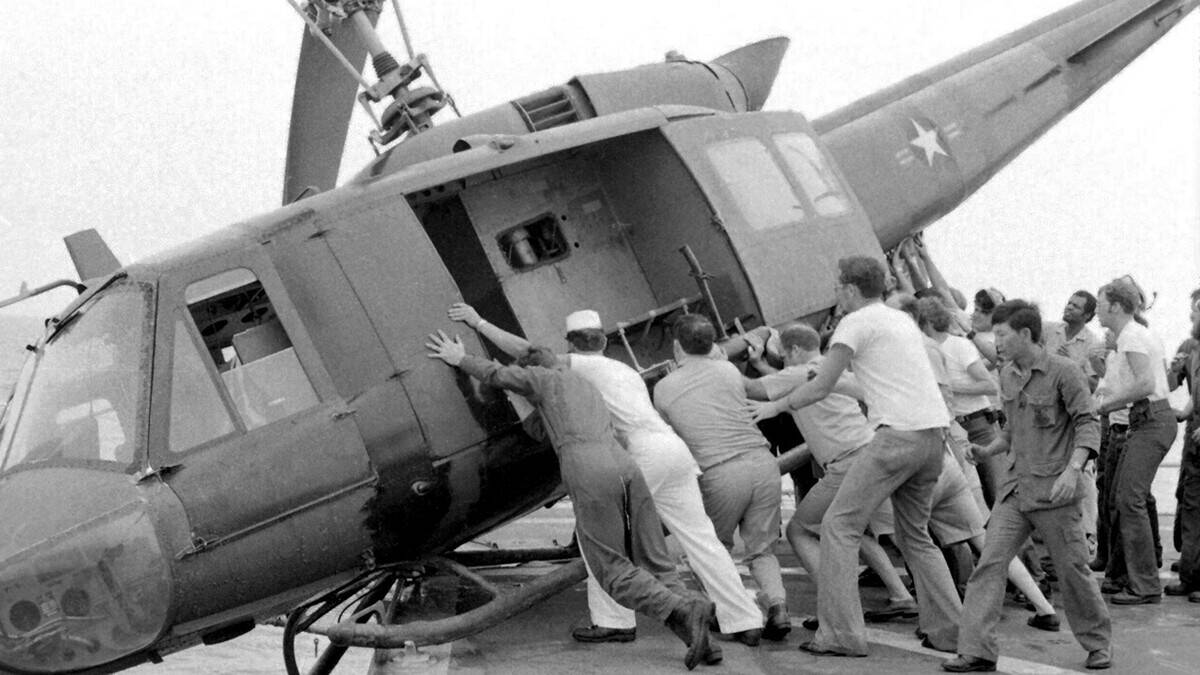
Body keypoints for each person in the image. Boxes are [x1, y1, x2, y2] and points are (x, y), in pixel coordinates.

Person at [446, 303, 764, 647]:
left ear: (571, 344)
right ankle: (743, 619)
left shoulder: (579, 367)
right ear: (603, 341)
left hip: (638, 454)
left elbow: (528, 353)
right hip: (673, 450)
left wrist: (479, 322)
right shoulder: (623, 370)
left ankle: (614, 620)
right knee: (702, 539)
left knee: (597, 541)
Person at [424, 332, 715, 670]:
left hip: (589, 466)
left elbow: (497, 375)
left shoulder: (544, 378)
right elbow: (539, 428)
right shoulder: (585, 387)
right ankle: (697, 633)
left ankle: (681, 610)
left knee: (610, 566)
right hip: (625, 464)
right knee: (654, 556)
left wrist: (460, 359)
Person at [750, 255, 960, 657]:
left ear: (849, 289)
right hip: (933, 436)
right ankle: (949, 629)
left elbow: (822, 385)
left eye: (837, 287)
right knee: (915, 536)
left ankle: (841, 635)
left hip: (895, 438)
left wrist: (778, 406)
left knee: (838, 527)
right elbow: (868, 384)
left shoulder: (855, 322)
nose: (836, 294)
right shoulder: (900, 320)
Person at [942, 300, 1111, 673]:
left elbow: (1087, 424)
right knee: (989, 564)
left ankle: (1098, 643)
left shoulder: (1064, 372)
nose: (996, 341)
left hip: (1056, 491)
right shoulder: (1007, 374)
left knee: (1072, 571)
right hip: (1016, 490)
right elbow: (1012, 429)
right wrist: (988, 449)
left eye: (1001, 335)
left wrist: (1073, 471)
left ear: (1025, 334)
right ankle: (977, 651)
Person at [744, 323, 919, 623]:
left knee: (800, 530)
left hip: (847, 463)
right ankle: (901, 595)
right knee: (861, 530)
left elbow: (755, 389)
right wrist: (761, 363)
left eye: (784, 356)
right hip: (871, 454)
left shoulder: (803, 372)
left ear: (796, 350)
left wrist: (714, 358)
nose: (784, 362)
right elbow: (785, 384)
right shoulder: (828, 368)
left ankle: (836, 608)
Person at [653, 314, 791, 641]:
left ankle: (737, 616)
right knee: (762, 549)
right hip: (763, 462)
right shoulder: (728, 370)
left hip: (720, 471)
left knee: (712, 550)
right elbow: (754, 389)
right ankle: (778, 607)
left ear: (676, 346)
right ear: (713, 343)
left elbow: (668, 435)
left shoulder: (663, 388)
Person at [1094, 278, 1177, 604]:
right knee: (1122, 497)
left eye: (1101, 303)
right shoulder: (1135, 334)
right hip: (1147, 420)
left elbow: (1144, 384)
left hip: (1151, 420)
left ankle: (1145, 585)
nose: (1098, 309)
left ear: (1115, 306)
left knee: (1129, 499)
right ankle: (1127, 574)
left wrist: (1104, 405)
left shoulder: (1130, 336)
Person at [1166, 289, 1200, 601]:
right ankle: (1191, 568)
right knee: (1188, 501)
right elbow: (1175, 386)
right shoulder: (1190, 347)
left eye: (1196, 312)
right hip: (1194, 433)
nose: (1191, 317)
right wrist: (1175, 369)